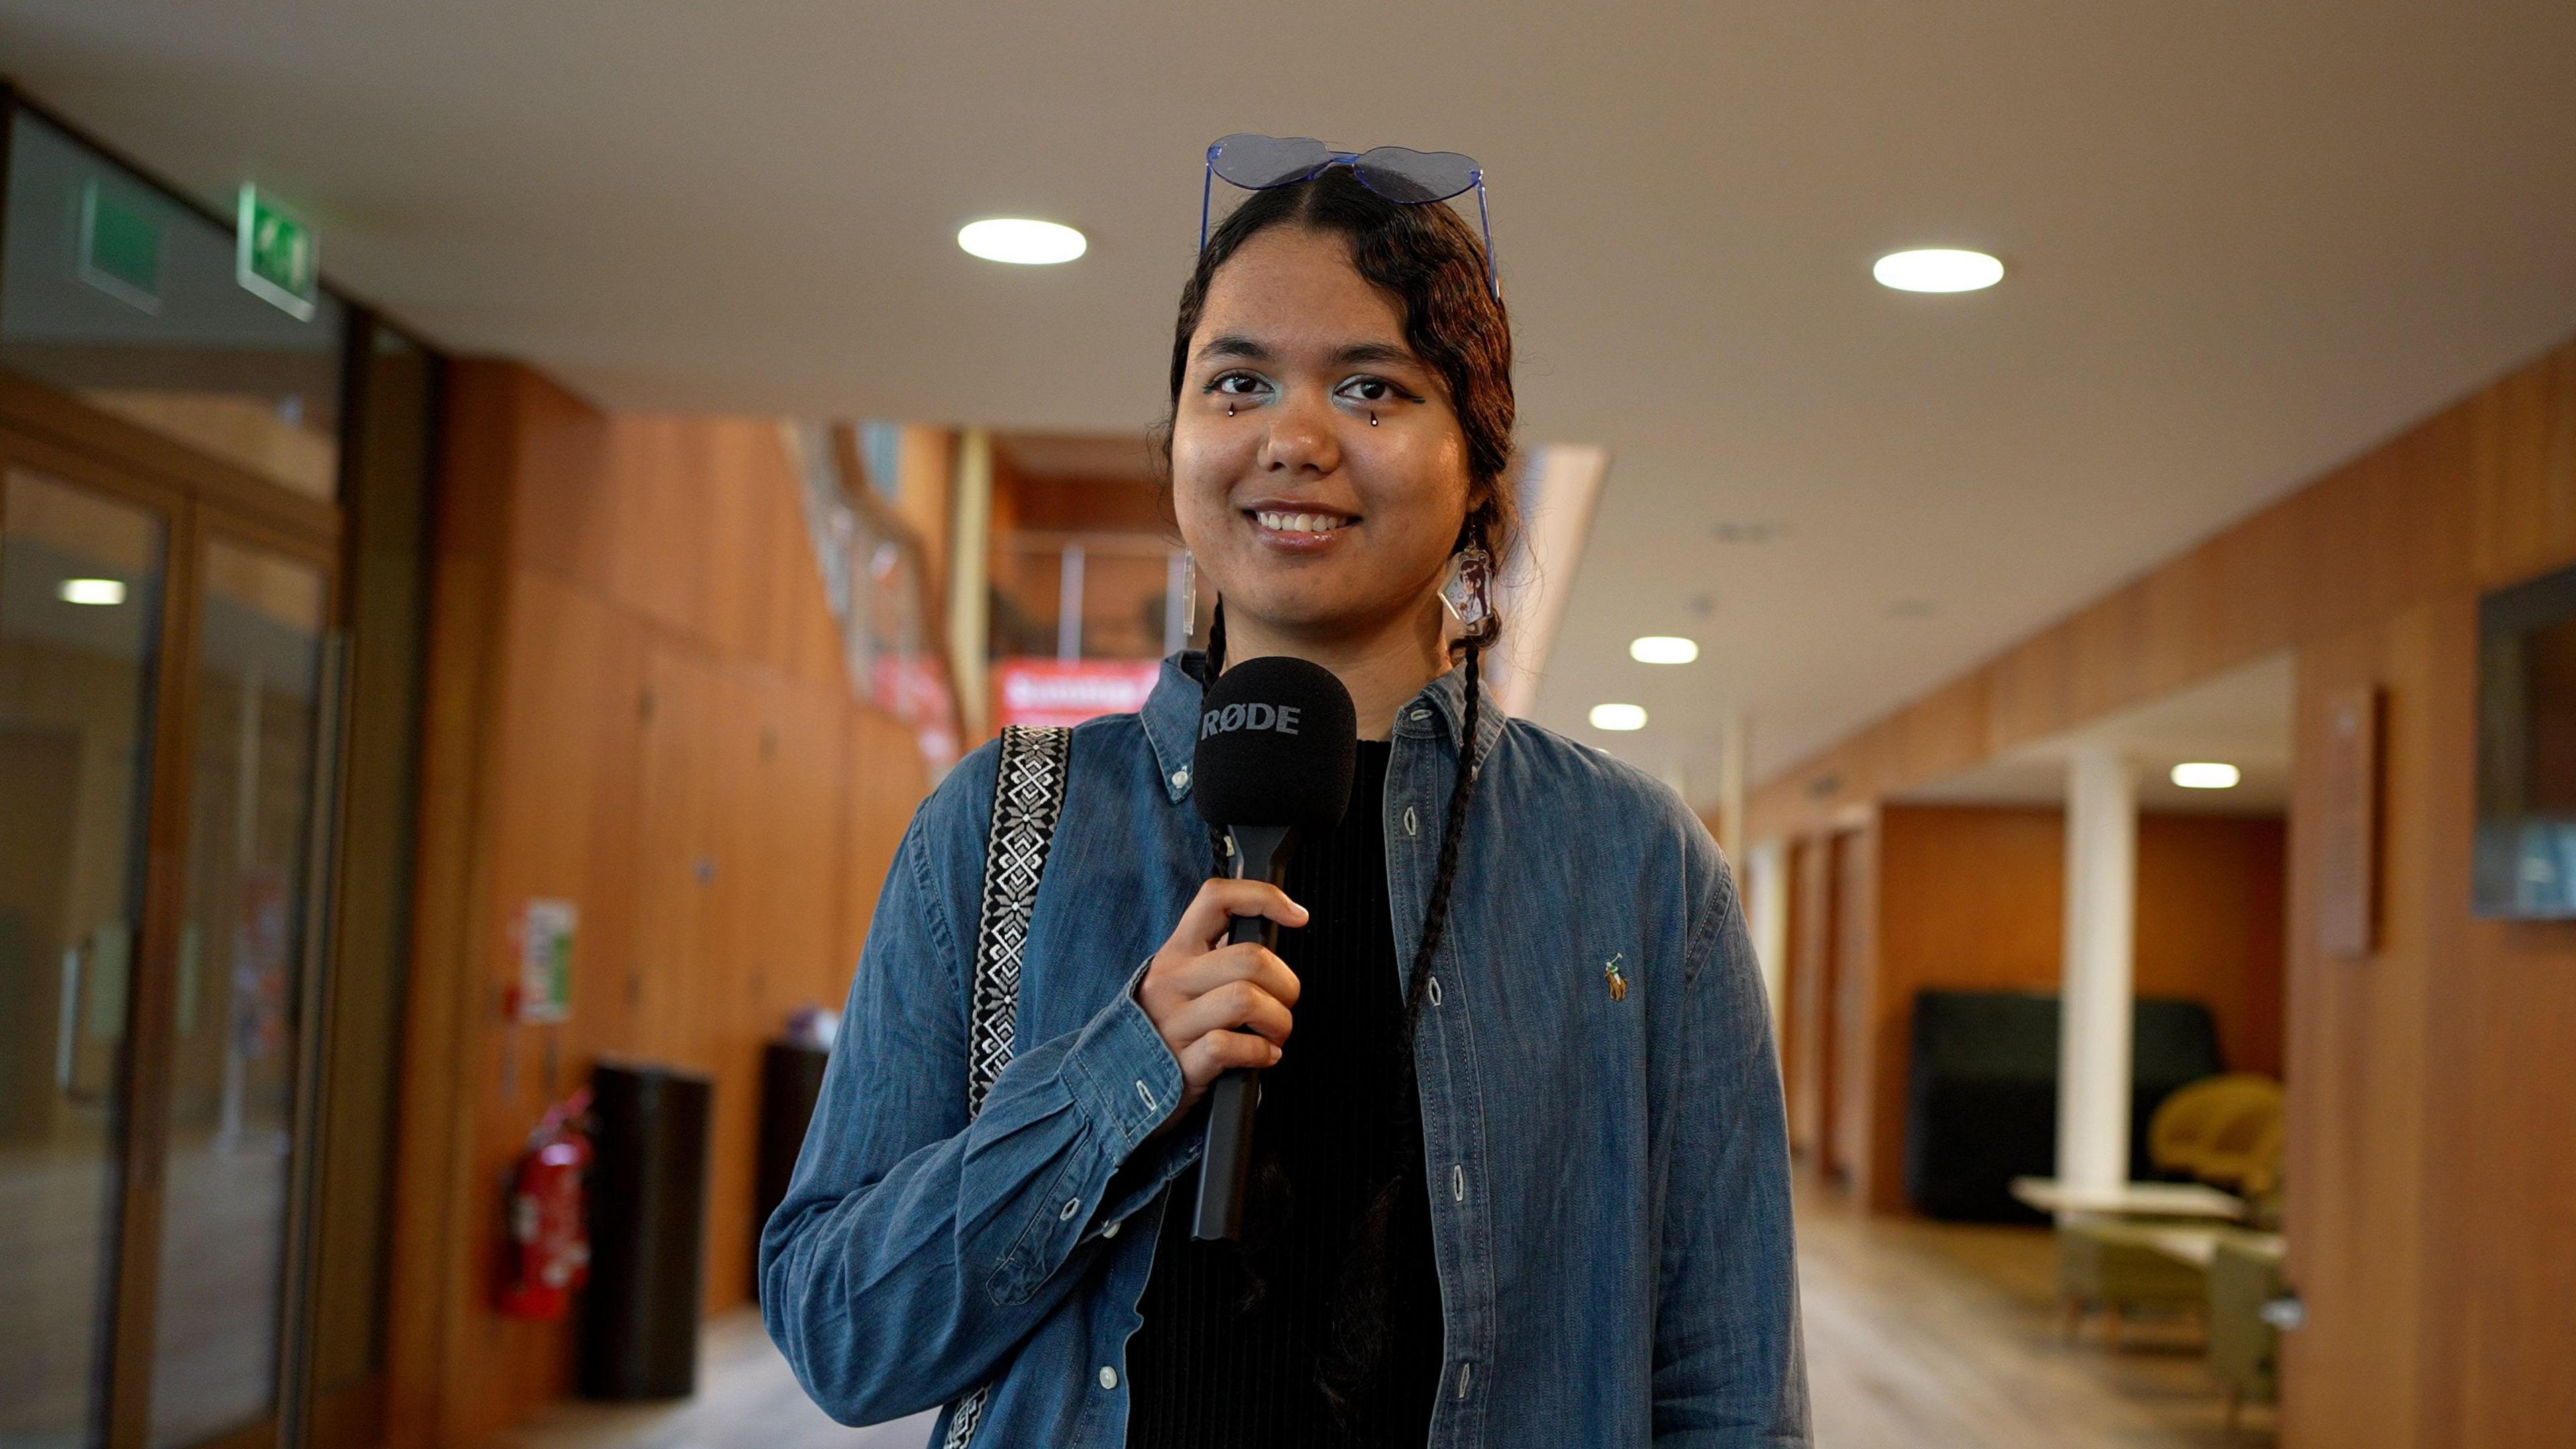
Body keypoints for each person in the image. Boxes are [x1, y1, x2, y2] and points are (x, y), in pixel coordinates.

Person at [761, 156, 1809, 1448]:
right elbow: (839, 1333)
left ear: (1481, 463)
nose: (1294, 439)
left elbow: (1729, 1389)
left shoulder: (1633, 866)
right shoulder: (998, 827)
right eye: (1238, 382)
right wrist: (1121, 1077)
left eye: (1372, 388)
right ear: (1180, 440)